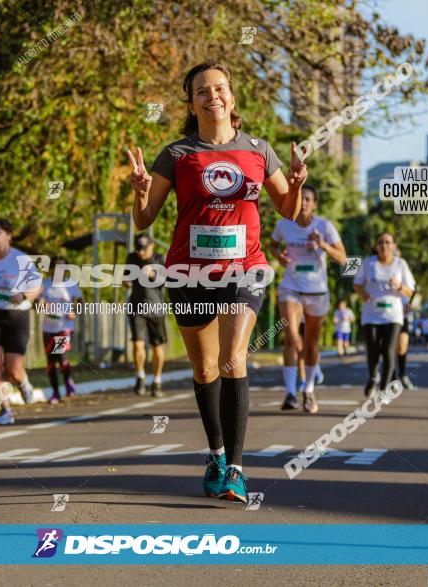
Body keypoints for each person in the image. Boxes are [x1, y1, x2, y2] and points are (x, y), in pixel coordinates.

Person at [126, 61, 306, 503]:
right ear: (192, 102)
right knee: (205, 370)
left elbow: (288, 209)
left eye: (220, 88)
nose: (213, 97)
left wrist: (298, 183)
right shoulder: (177, 153)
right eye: (203, 91)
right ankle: (216, 453)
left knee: (232, 358)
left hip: (245, 268)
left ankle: (238, 470)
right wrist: (139, 190)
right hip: (188, 271)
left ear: (232, 96)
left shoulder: (260, 151)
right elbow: (145, 219)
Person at [270, 185, 345, 412]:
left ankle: (309, 390)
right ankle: (291, 394)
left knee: (311, 344)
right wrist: (279, 256)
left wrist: (322, 244)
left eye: (308, 199)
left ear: (315, 204)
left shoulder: (325, 226)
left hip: (317, 292)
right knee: (292, 339)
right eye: (301, 198)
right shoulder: (283, 224)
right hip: (291, 288)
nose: (303, 202)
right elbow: (272, 246)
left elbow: (343, 259)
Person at [0, 219, 41, 424]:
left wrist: (24, 296)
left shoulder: (21, 259)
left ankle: (23, 383)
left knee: (12, 369)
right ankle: (5, 410)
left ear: (9, 235)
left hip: (17, 317)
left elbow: (37, 287)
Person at [353, 232, 415, 397]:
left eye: (388, 242)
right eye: (381, 242)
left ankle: (383, 389)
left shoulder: (401, 264)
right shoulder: (368, 263)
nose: (384, 245)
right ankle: (373, 377)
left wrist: (399, 286)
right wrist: (364, 295)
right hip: (371, 314)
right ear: (376, 246)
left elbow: (410, 291)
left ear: (394, 246)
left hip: (393, 315)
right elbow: (357, 284)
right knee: (373, 349)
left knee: (388, 350)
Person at [124, 234, 167, 397]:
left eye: (144, 249)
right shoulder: (131, 258)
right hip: (137, 307)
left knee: (157, 347)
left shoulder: (159, 258)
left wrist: (153, 275)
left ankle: (157, 381)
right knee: (137, 344)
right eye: (138, 249)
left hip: (156, 309)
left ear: (152, 246)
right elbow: (127, 278)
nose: (141, 253)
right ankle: (140, 377)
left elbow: (168, 281)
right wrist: (126, 282)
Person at [38, 256, 82, 403]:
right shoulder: (45, 284)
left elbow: (81, 302)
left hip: (64, 327)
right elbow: (37, 302)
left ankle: (68, 381)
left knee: (61, 355)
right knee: (51, 360)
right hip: (48, 327)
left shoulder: (71, 285)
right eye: (57, 267)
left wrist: (74, 312)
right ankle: (56, 392)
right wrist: (42, 304)